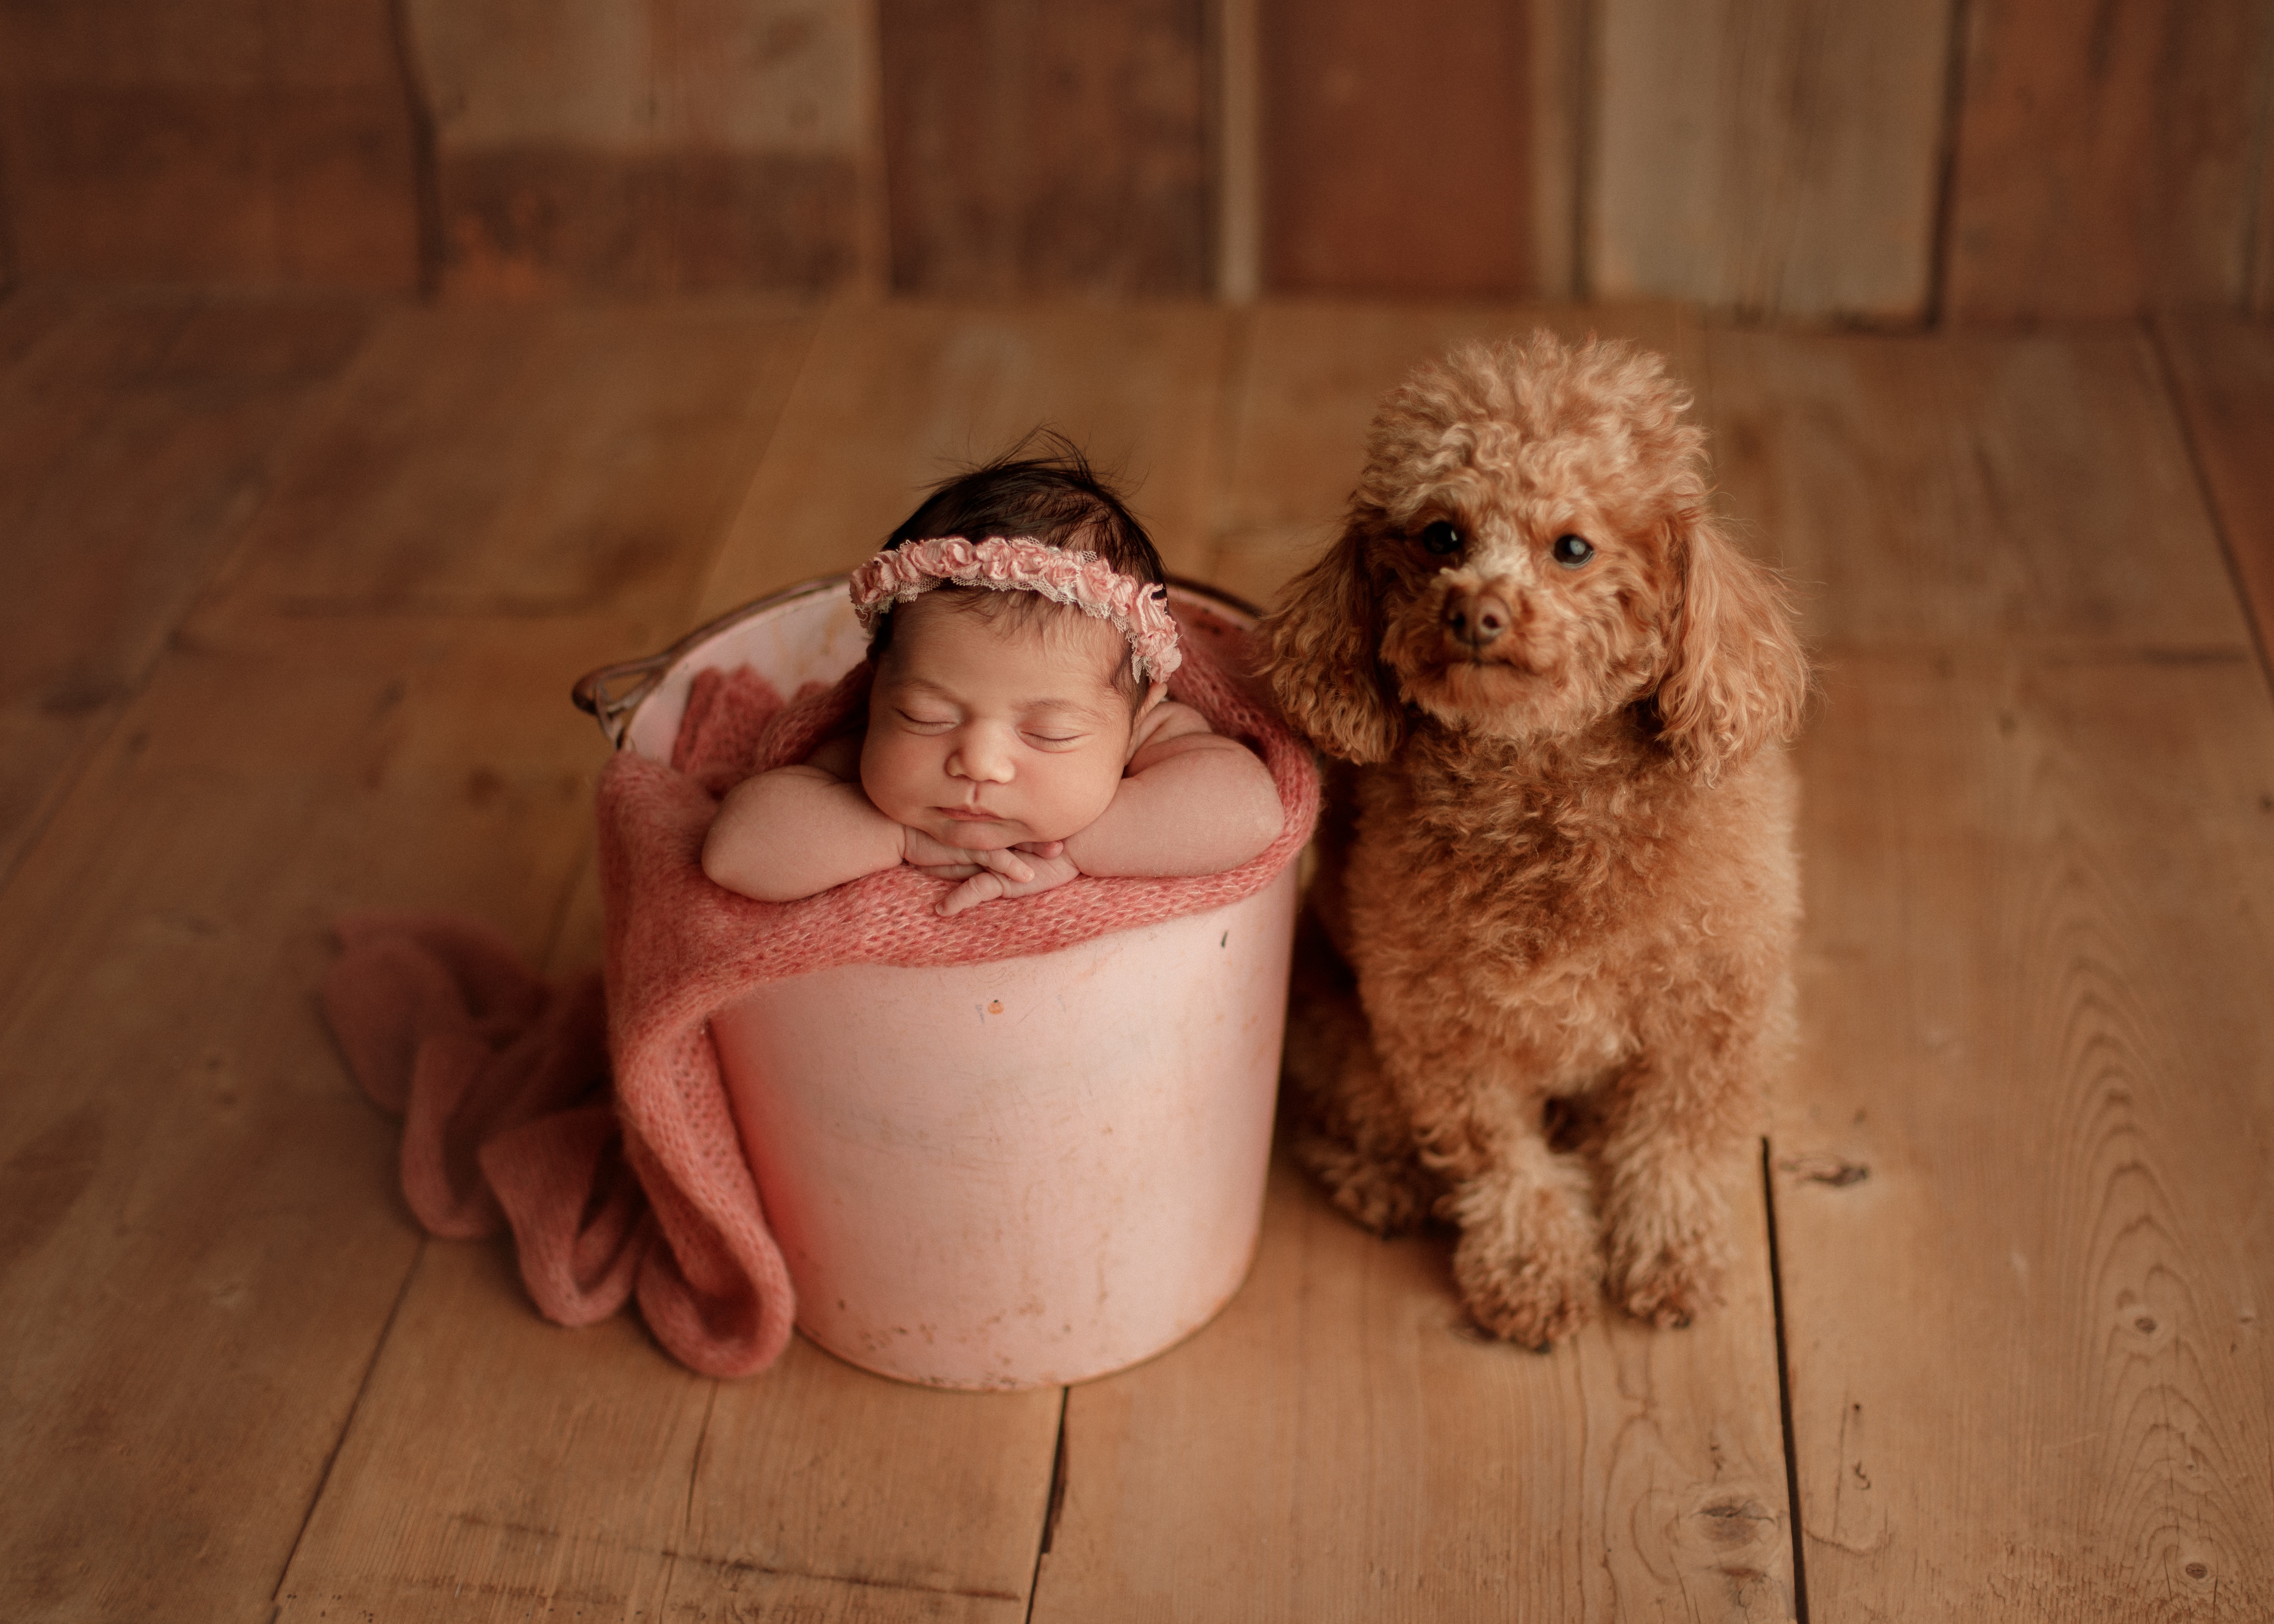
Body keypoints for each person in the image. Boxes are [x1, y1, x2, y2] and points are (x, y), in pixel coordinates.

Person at [702, 443, 1285, 917]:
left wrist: (1074, 849)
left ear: (1137, 715)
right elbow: (735, 853)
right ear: (878, 685)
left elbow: (1253, 812)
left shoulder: (1152, 736)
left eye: (1049, 733)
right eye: (926, 718)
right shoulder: (860, 755)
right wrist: (894, 839)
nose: (978, 764)